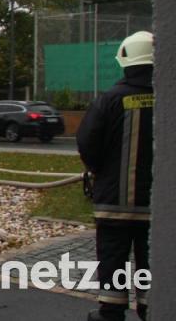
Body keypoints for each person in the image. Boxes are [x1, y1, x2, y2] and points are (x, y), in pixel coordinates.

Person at [77, 31, 154, 321]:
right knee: (152, 261)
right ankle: (152, 306)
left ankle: (111, 311)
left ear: (125, 61)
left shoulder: (109, 100)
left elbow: (87, 143)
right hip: (156, 210)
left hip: (114, 203)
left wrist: (101, 172)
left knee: (112, 259)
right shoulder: (168, 101)